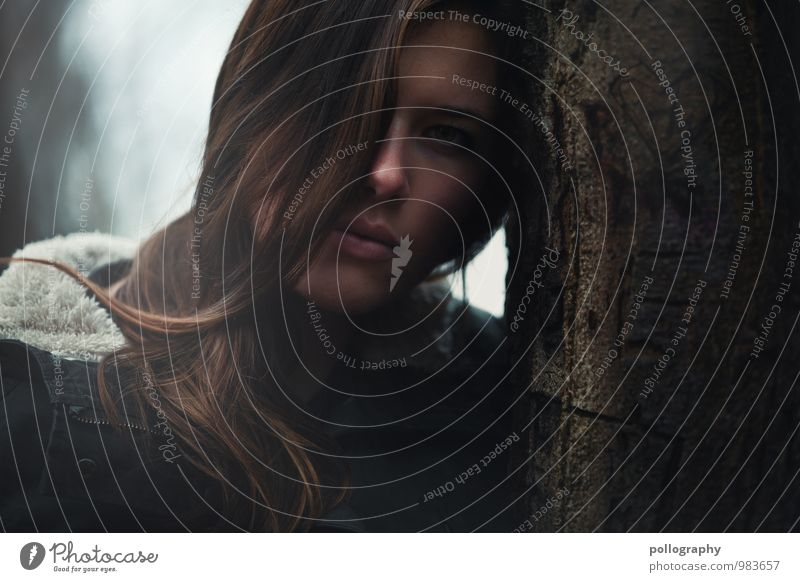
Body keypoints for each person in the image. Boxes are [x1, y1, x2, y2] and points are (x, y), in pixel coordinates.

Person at [0, 0, 533, 532]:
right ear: (251, 110)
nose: (386, 173)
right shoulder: (30, 389)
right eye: (343, 104)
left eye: (448, 136)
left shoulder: (506, 404)